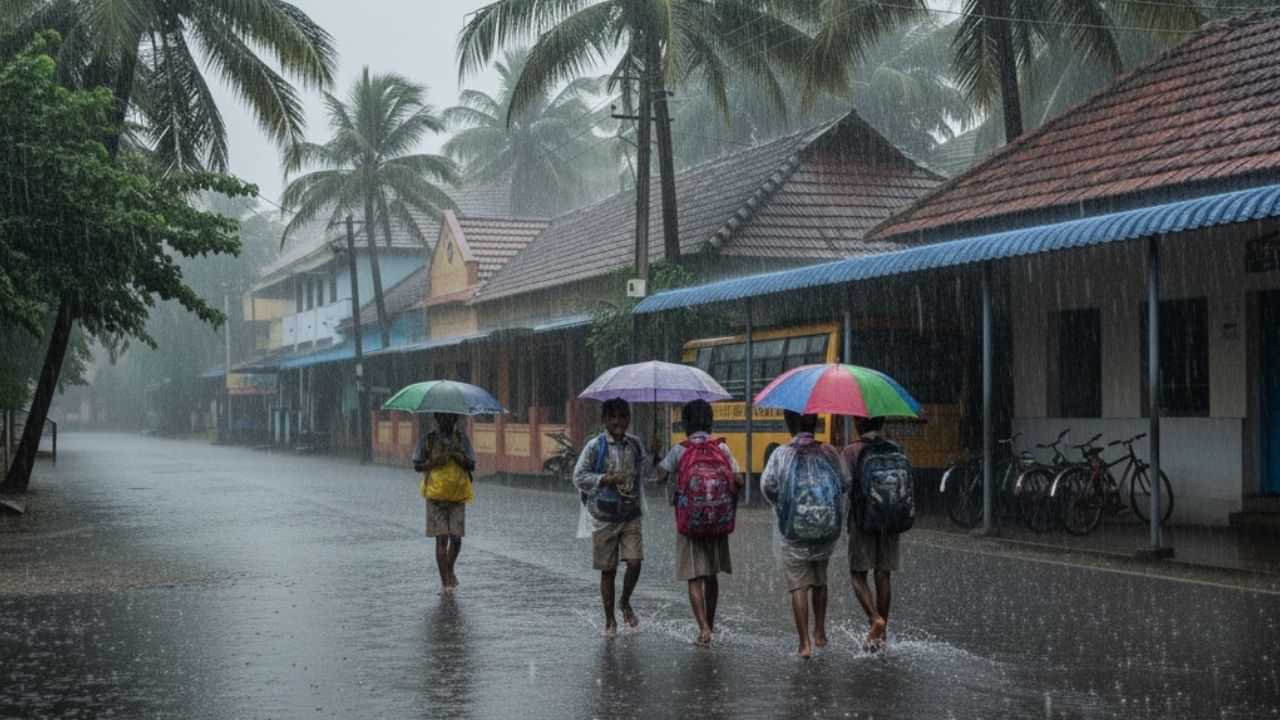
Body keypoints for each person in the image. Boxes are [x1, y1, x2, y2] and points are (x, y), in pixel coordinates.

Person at [761, 411, 849, 658]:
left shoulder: (781, 454)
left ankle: (804, 643)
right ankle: (820, 632)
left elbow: (768, 486)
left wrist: (783, 503)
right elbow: (844, 483)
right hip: (825, 528)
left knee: (798, 585)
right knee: (820, 580)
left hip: (793, 529)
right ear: (815, 423)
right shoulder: (829, 452)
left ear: (789, 424)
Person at [656, 399, 742, 647]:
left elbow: (659, 475)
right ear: (711, 422)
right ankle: (711, 625)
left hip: (689, 522)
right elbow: (739, 480)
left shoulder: (679, 450)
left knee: (694, 577)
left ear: (685, 424)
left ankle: (702, 628)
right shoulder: (722, 449)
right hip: (717, 521)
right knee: (712, 576)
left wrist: (659, 459)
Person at [573, 398, 651, 637]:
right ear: (605, 420)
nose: (618, 422)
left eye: (623, 416)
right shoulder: (595, 447)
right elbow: (579, 477)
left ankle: (625, 601)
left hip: (630, 515)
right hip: (603, 517)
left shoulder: (635, 445)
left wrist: (654, 456)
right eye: (613, 417)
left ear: (628, 419)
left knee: (635, 562)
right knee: (608, 570)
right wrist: (605, 479)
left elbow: (646, 473)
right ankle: (610, 621)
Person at [843, 416, 908, 652]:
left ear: (859, 424)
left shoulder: (852, 451)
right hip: (891, 519)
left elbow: (844, 484)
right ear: (881, 424)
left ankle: (874, 619)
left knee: (858, 573)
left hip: (863, 521)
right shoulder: (896, 449)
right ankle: (883, 634)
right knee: (883, 574)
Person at [412, 412, 476, 592]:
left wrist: (458, 456)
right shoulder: (428, 440)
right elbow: (417, 465)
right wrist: (434, 462)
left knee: (456, 539)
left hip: (458, 495)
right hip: (435, 496)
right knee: (442, 539)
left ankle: (449, 569)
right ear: (436, 418)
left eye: (450, 418)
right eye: (442, 417)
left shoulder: (462, 440)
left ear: (455, 419)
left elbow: (471, 464)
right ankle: (446, 582)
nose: (446, 421)